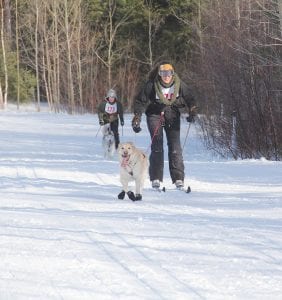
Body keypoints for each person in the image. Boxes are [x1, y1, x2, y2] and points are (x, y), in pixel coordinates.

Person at [131, 62, 196, 189]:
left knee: (175, 147)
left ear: (173, 73)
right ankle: (155, 178)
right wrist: (137, 117)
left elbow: (190, 98)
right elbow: (140, 101)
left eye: (169, 73)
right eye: (163, 73)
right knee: (157, 146)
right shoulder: (151, 85)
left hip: (172, 115)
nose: (166, 76)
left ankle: (178, 179)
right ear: (159, 74)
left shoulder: (179, 84)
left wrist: (192, 111)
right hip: (155, 114)